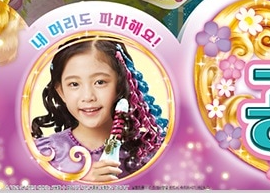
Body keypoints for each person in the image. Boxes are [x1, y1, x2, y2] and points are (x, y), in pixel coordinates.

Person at [31, 35, 168, 183]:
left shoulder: (147, 153)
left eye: (100, 82)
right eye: (74, 84)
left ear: (121, 85)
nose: (88, 96)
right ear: (61, 92)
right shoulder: (43, 154)